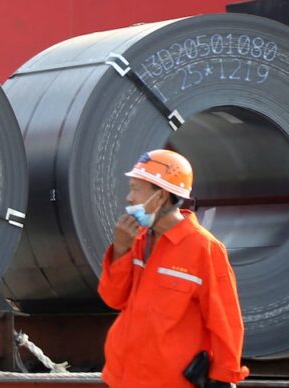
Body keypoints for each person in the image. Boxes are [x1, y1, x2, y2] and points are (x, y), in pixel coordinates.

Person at [98, 149, 248, 388]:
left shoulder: (204, 248)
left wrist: (223, 378)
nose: (129, 198)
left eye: (136, 189)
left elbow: (225, 321)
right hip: (122, 377)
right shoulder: (137, 240)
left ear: (160, 196)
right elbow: (113, 298)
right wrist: (120, 250)